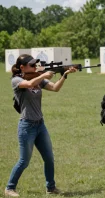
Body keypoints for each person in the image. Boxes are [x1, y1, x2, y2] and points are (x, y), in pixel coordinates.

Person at [5, 54, 77, 197]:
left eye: (34, 64)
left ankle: (51, 187)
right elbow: (30, 84)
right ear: (22, 67)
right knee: (24, 160)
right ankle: (9, 188)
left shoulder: (37, 79)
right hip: (26, 126)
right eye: (31, 65)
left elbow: (55, 88)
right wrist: (44, 74)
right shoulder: (16, 80)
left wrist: (64, 75)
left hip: (40, 125)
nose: (34, 67)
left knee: (49, 158)